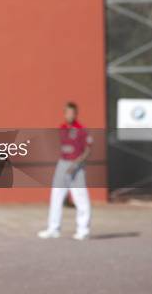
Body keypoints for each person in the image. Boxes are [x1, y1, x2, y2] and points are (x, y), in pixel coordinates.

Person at [38, 102, 92, 240]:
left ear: (76, 114)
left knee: (81, 198)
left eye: (72, 113)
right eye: (67, 112)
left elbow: (87, 149)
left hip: (77, 166)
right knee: (56, 196)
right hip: (62, 164)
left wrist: (77, 163)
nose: (69, 115)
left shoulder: (82, 129)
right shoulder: (61, 128)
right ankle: (53, 229)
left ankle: (83, 230)